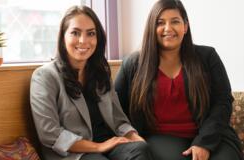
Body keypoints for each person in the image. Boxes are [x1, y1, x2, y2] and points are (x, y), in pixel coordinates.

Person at [114, 0, 243, 160]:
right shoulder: (132, 64)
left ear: (185, 26)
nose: (168, 28)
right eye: (160, 23)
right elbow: (115, 109)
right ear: (152, 28)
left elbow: (223, 102)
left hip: (212, 135)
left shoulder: (208, 57)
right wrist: (130, 136)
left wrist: (204, 142)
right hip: (161, 137)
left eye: (175, 21)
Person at [30, 5, 154, 160]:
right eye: (75, 33)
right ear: (63, 37)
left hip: (107, 144)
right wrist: (98, 147)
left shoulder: (100, 72)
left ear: (98, 38)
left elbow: (118, 118)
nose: (83, 40)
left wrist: (133, 136)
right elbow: (50, 134)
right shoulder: (45, 77)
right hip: (73, 153)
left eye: (91, 33)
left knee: (140, 149)